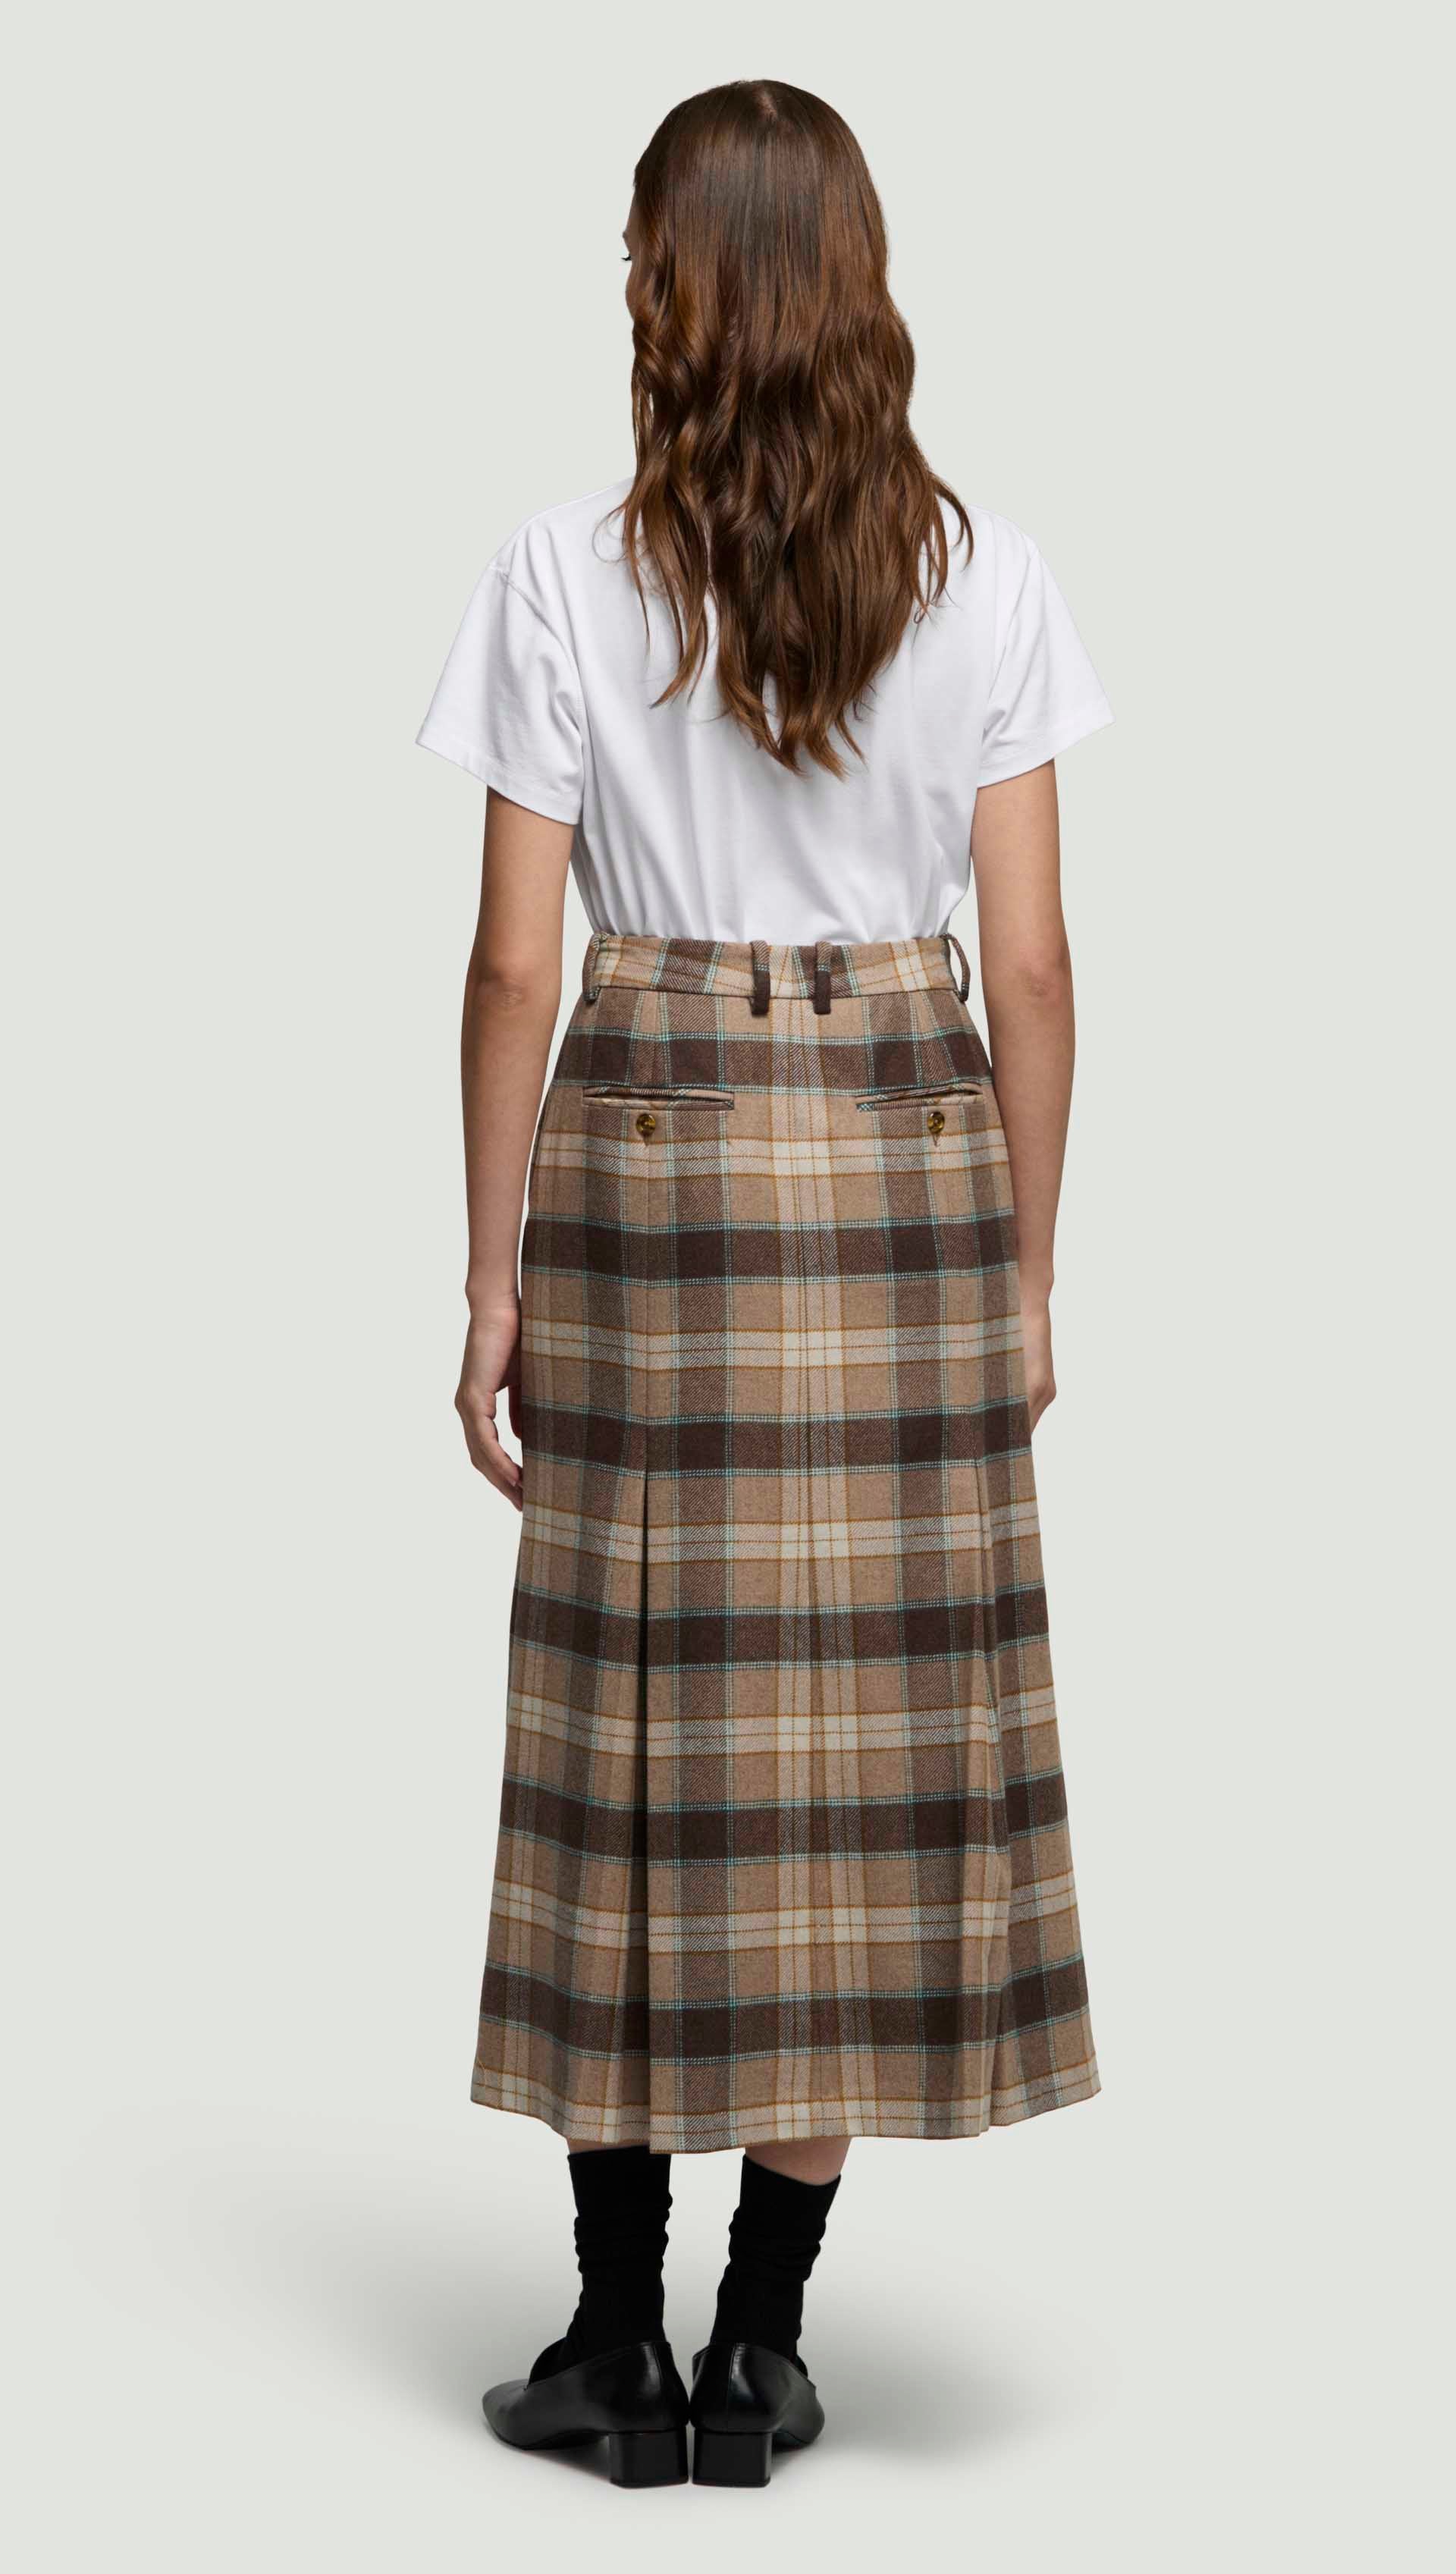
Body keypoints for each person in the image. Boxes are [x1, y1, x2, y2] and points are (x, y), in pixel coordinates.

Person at [416, 77, 1109, 2491]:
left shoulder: (560, 574)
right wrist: (1027, 1275)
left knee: (630, 1733)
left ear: (666, 290)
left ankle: (612, 2340)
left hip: (649, 1158)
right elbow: (1034, 965)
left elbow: (517, 966)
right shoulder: (987, 575)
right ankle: (765, 2350)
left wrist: (488, 1279)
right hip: (910, 1164)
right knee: (854, 1759)